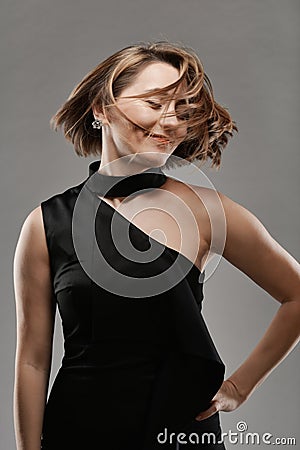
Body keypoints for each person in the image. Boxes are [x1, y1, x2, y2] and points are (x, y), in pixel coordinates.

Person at [13, 40, 300, 450]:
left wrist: (241, 385)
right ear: (101, 108)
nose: (170, 123)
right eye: (154, 103)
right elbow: (32, 359)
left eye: (181, 112)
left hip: (178, 431)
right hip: (79, 430)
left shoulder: (205, 210)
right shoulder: (46, 224)